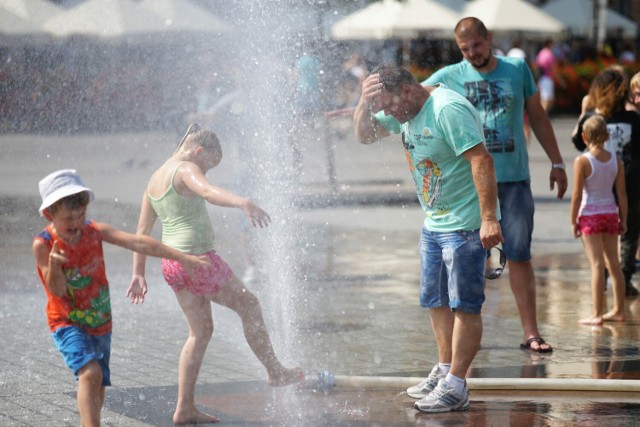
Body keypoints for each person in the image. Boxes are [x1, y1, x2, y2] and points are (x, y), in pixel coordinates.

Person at [127, 123, 304, 425]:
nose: (204, 174)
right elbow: (207, 192)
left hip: (172, 264)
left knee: (199, 333)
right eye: (207, 165)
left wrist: (138, 273)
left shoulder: (155, 179)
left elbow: (141, 233)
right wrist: (243, 202)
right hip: (198, 261)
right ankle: (275, 371)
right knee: (250, 306)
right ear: (198, 151)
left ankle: (184, 408)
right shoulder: (185, 169)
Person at [355, 63, 503, 412]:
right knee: (435, 300)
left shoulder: (446, 109)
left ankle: (457, 384)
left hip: (465, 226)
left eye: (389, 105)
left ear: (407, 90)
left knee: (465, 303)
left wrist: (488, 219)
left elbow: (481, 160)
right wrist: (363, 103)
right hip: (434, 224)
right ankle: (444, 368)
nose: (388, 114)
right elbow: (364, 135)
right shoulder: (403, 111)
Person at [423, 17, 568, 353]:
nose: (472, 53)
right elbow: (414, 96)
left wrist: (558, 162)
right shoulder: (449, 77)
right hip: (470, 186)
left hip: (514, 181)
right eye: (465, 49)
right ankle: (468, 339)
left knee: (519, 255)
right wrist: (374, 102)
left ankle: (531, 332)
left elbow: (539, 118)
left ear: (488, 39)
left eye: (476, 45)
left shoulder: (517, 69)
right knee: (469, 260)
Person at [32, 169, 211, 427]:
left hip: (101, 320)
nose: (76, 223)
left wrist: (183, 258)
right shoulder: (44, 245)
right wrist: (54, 264)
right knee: (90, 373)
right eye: (69, 218)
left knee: (99, 382)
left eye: (81, 215)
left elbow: (139, 243)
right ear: (49, 214)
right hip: (67, 321)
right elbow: (57, 289)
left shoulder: (93, 231)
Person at [572, 68, 640, 297]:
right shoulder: (633, 119)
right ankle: (625, 280)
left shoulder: (593, 119)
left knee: (598, 246)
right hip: (630, 183)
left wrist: (584, 111)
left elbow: (578, 141)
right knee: (629, 234)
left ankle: (600, 280)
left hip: (598, 191)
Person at [570, 114, 627, 325]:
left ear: (584, 137)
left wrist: (573, 221)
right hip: (610, 214)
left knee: (596, 265)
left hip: (590, 216)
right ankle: (619, 310)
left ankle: (596, 314)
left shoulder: (582, 161)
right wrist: (624, 219)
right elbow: (621, 194)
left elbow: (576, 195)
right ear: (606, 135)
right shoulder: (616, 160)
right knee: (614, 264)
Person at [534, 39, 567, 113]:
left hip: (542, 78)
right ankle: (540, 119)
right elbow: (553, 69)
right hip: (547, 79)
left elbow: (536, 66)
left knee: (547, 100)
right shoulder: (549, 54)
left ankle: (541, 118)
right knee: (546, 100)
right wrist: (561, 81)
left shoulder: (541, 53)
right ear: (550, 44)